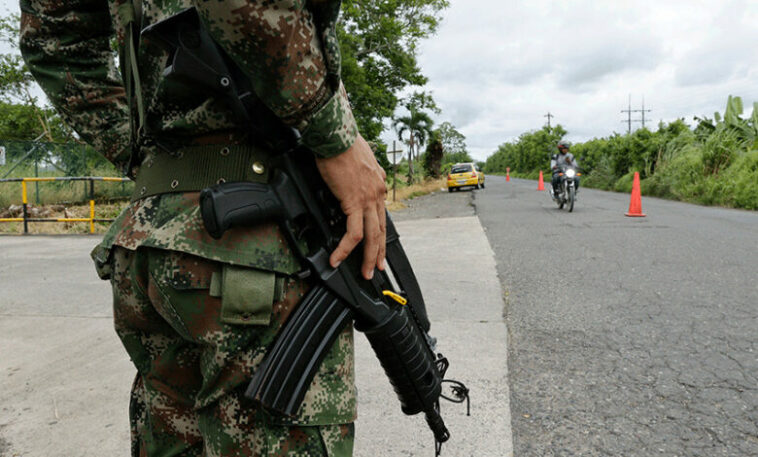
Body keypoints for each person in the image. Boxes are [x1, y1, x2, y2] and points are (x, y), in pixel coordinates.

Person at [20, 1, 387, 455]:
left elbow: (53, 42)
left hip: (156, 229)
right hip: (254, 239)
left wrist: (151, 160)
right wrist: (335, 136)